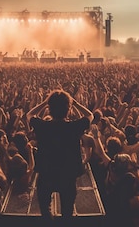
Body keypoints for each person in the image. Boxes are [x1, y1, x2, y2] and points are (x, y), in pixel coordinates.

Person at [27, 89, 93, 225]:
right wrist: (74, 103)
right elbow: (90, 115)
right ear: (68, 109)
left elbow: (29, 114)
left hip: (46, 175)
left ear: (50, 109)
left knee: (46, 214)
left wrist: (44, 103)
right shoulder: (75, 126)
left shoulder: (42, 126)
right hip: (68, 176)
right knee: (67, 214)